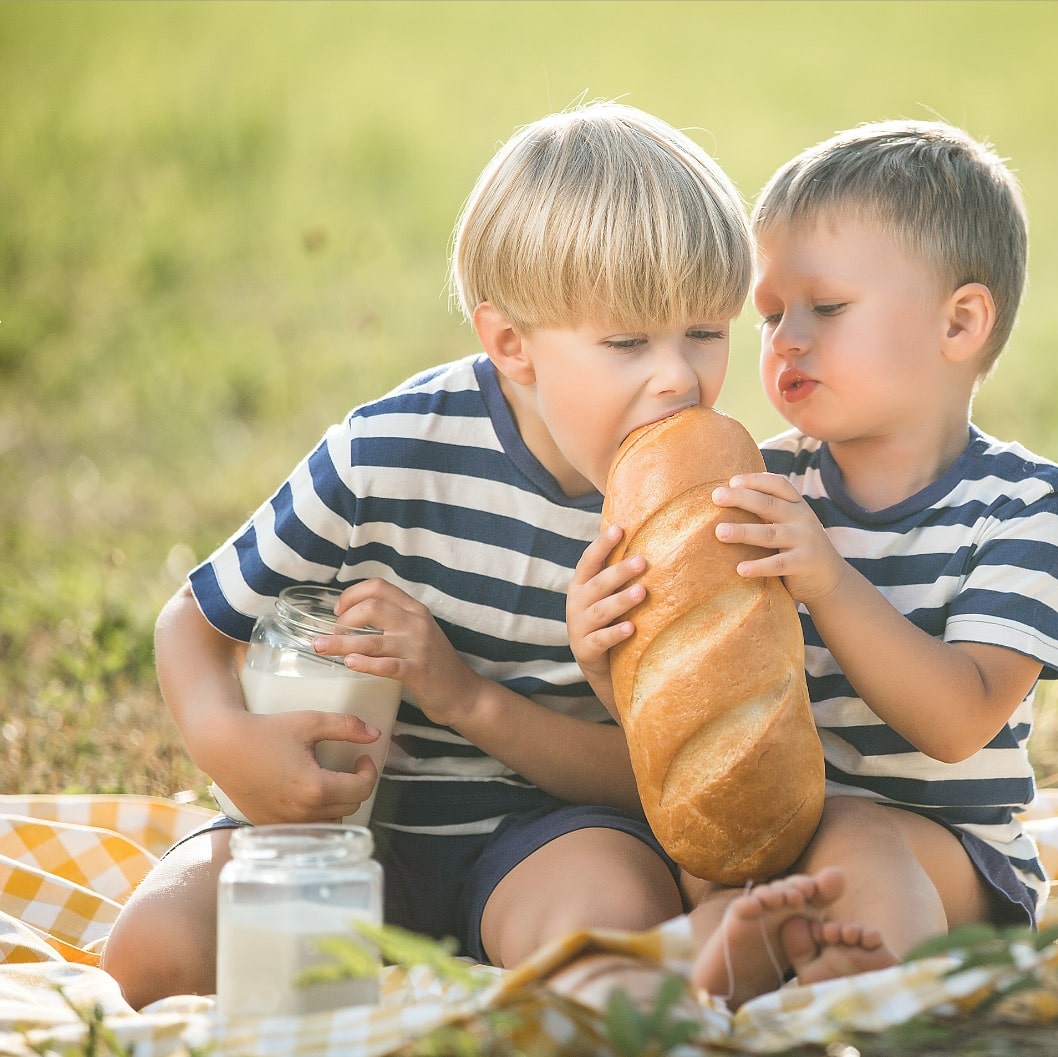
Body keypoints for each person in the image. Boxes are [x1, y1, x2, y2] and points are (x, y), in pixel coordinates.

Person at [99, 101, 753, 1011]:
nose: (679, 375)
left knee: (613, 952)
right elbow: (195, 623)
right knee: (153, 954)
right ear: (511, 346)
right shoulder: (385, 454)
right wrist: (233, 744)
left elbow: (658, 779)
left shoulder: (695, 509)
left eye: (706, 333)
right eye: (628, 342)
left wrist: (467, 698)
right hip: (336, 828)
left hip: (551, 835)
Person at [587, 118, 1058, 1008]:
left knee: (858, 831)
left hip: (947, 857)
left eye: (828, 307)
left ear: (960, 322)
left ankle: (870, 990)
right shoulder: (761, 482)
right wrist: (607, 654)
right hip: (773, 837)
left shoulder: (1023, 505)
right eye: (772, 315)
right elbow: (697, 702)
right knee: (701, 865)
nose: (785, 341)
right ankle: (729, 975)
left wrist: (830, 582)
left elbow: (958, 719)